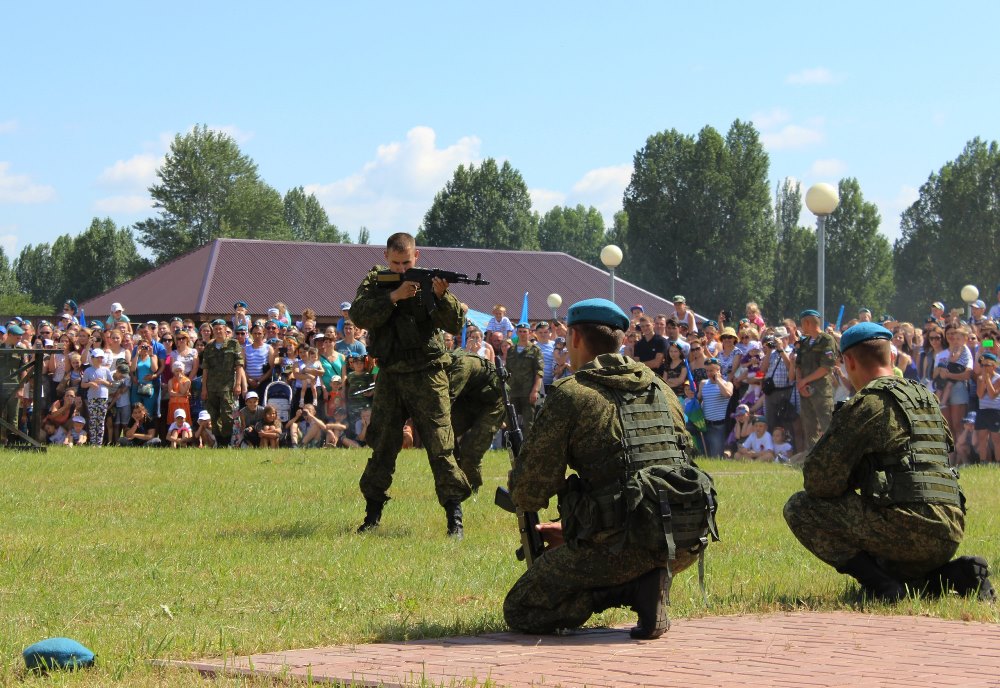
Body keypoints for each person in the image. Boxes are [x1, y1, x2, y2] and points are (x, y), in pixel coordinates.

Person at [504, 298, 715, 639]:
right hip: (680, 541)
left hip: (622, 546)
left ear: (574, 337)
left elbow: (529, 491)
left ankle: (635, 589)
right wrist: (574, 526)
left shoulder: (572, 394)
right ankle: (650, 580)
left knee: (522, 607)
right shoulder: (661, 389)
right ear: (620, 340)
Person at [784, 322, 994, 602]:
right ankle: (956, 574)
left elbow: (818, 482)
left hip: (907, 530)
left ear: (848, 361)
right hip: (951, 528)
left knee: (800, 507)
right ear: (891, 357)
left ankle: (881, 588)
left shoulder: (867, 404)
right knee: (892, 564)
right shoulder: (925, 398)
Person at [350, 232, 471, 537]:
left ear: (417, 257)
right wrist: (394, 296)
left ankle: (454, 517)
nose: (403, 268)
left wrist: (442, 296)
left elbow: (456, 324)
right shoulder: (376, 281)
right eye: (396, 262)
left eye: (407, 262)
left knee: (440, 445)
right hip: (390, 374)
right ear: (386, 258)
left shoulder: (431, 282)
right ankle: (372, 515)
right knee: (383, 445)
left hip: (428, 373)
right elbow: (359, 314)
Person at [445, 350, 505, 492]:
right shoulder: (444, 365)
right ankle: (457, 477)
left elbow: (446, 398)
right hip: (469, 401)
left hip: (492, 405)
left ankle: (472, 488)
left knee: (471, 449)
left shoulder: (462, 365)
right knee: (445, 434)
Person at [795, 309, 838, 452]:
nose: (801, 327)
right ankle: (812, 458)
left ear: (807, 322)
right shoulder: (804, 342)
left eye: (802, 324)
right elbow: (798, 365)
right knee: (809, 427)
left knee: (827, 425)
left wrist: (804, 381)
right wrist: (800, 383)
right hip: (805, 390)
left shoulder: (826, 340)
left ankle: (833, 456)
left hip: (821, 391)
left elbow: (826, 367)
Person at [200, 318, 245, 446]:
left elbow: (239, 366)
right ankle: (219, 442)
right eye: (215, 329)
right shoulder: (209, 346)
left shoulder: (233, 344)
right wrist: (204, 388)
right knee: (213, 415)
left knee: (227, 416)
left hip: (227, 386)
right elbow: (205, 369)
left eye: (220, 328)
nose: (218, 331)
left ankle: (226, 440)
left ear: (225, 330)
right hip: (212, 386)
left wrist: (238, 384)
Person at [506, 323, 544, 435]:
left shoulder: (535, 350)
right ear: (517, 333)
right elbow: (507, 370)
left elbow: (539, 371)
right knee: (510, 420)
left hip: (528, 391)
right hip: (513, 391)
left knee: (529, 423)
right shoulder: (511, 350)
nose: (522, 334)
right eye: (520, 331)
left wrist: (535, 390)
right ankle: (512, 446)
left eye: (525, 331)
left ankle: (528, 448)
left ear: (529, 333)